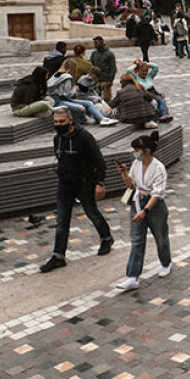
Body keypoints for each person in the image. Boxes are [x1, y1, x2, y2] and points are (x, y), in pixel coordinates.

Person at [38, 107, 115, 273]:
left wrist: (100, 183)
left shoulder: (84, 137)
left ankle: (106, 238)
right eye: (56, 122)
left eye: (62, 122)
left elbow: (98, 160)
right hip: (65, 184)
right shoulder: (57, 139)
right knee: (62, 220)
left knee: (92, 213)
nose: (59, 125)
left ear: (70, 121)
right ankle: (58, 255)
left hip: (84, 183)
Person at [112, 131, 172, 290]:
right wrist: (124, 173)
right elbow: (131, 186)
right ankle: (132, 276)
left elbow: (157, 194)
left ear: (146, 151)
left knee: (160, 236)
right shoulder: (137, 164)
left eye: (136, 150)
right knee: (137, 240)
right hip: (137, 201)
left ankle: (166, 262)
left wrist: (145, 211)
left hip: (154, 206)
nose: (134, 153)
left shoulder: (159, 168)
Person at [48, 59, 117, 125]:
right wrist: (75, 90)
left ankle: (102, 119)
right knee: (81, 107)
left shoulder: (55, 75)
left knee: (89, 103)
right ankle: (87, 119)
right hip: (60, 101)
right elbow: (67, 94)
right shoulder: (67, 78)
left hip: (59, 100)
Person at [90, 36, 117, 103]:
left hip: (106, 79)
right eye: (95, 43)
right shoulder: (94, 53)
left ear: (102, 42)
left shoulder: (109, 54)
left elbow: (112, 67)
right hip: (96, 80)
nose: (95, 44)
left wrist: (111, 80)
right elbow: (92, 65)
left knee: (106, 98)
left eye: (97, 43)